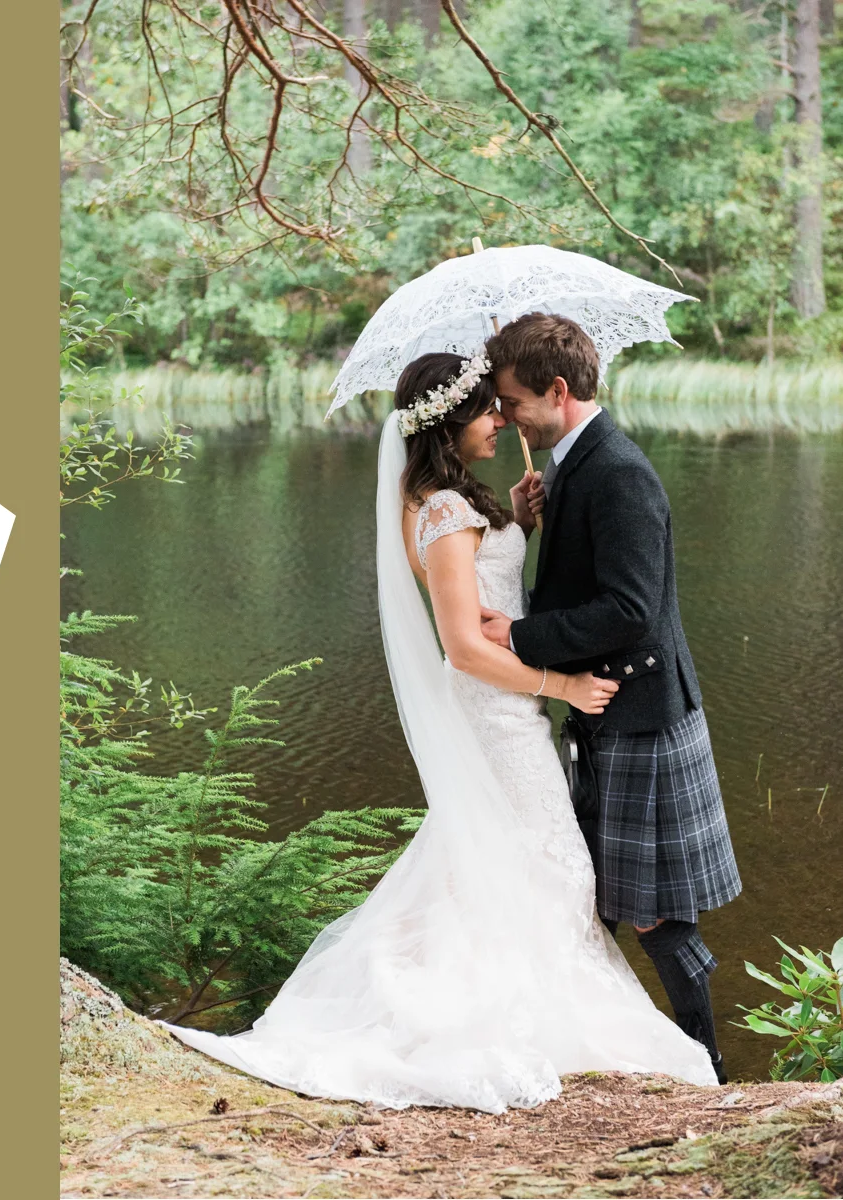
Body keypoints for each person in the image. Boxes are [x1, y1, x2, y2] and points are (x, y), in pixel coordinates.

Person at [160, 347, 719, 1112]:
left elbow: (487, 586)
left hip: (510, 709)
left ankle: (508, 998)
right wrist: (562, 684)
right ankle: (497, 1016)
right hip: (497, 714)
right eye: (489, 408)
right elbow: (462, 646)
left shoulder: (450, 501)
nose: (501, 417)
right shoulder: (447, 512)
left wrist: (518, 520)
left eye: (506, 403)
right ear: (451, 421)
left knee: (499, 865)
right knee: (554, 870)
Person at [481, 312, 741, 1084]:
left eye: (513, 403)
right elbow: (587, 585)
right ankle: (617, 1050)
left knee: (657, 913)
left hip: (639, 716)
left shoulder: (618, 472)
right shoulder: (575, 462)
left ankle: (707, 1066)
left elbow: (630, 610)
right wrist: (535, 518)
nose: (504, 418)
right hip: (609, 712)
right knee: (590, 890)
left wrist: (518, 639)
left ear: (557, 391)